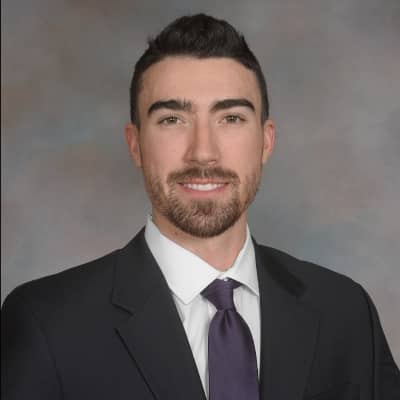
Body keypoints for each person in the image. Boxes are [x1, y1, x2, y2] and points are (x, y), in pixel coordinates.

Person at [1, 13, 399, 400]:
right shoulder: (47, 323)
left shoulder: (345, 312)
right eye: (172, 119)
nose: (203, 152)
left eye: (231, 118)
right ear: (135, 144)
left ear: (266, 141)